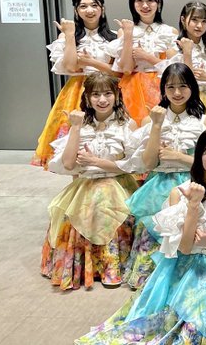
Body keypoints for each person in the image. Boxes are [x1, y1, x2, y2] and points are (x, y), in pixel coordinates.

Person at [76, 128, 206, 344]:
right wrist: (194, 206)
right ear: (198, 155)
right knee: (187, 331)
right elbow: (184, 248)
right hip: (187, 266)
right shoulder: (180, 192)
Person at [41, 73, 138, 290]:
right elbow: (68, 164)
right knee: (77, 211)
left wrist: (96, 162)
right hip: (85, 184)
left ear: (116, 96)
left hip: (118, 183)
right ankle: (87, 267)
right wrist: (75, 127)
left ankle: (111, 267)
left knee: (105, 201)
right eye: (96, 94)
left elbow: (132, 166)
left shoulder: (127, 125)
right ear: (87, 97)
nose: (102, 99)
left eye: (107, 93)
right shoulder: (80, 125)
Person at [124, 63, 206, 288]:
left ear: (192, 87)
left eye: (183, 86)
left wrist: (179, 157)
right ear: (163, 89)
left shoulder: (203, 122)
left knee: (188, 231)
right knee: (151, 228)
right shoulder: (151, 119)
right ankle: (152, 280)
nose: (177, 93)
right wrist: (156, 125)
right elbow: (148, 163)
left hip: (192, 184)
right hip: (158, 185)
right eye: (170, 87)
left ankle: (180, 280)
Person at [33, 0, 118, 168]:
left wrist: (90, 62)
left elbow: (117, 73)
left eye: (94, 5)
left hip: (107, 90)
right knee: (77, 144)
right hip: (78, 92)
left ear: (102, 8)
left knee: (108, 142)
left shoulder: (114, 38)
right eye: (83, 6)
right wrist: (70, 35)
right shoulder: (67, 36)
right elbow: (71, 66)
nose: (89, 10)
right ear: (76, 10)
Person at [106, 0, 178, 125]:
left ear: (158, 3)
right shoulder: (125, 30)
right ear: (132, 4)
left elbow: (175, 69)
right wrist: (128, 34)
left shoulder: (169, 32)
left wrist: (146, 57)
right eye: (139, 0)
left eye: (150, 0)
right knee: (133, 128)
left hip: (163, 86)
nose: (145, 5)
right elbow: (126, 69)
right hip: (133, 87)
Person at [165, 1, 206, 126]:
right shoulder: (173, 50)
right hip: (187, 101)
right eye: (194, 20)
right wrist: (187, 53)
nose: (199, 25)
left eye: (204, 21)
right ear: (183, 20)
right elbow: (185, 82)